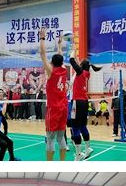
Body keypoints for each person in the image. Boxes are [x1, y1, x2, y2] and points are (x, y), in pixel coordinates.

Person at [68, 45, 101, 160]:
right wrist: (76, 52)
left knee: (75, 127)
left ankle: (78, 154)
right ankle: (87, 148)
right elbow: (77, 63)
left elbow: (71, 60)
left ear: (81, 65)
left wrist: (73, 51)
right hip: (85, 102)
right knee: (82, 126)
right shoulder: (86, 73)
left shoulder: (80, 72)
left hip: (77, 102)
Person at [39, 29, 67, 160]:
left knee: (50, 139)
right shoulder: (64, 69)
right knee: (61, 137)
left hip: (54, 108)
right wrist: (60, 44)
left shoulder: (51, 71)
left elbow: (42, 54)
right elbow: (59, 55)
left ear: (52, 62)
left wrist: (42, 38)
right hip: (63, 107)